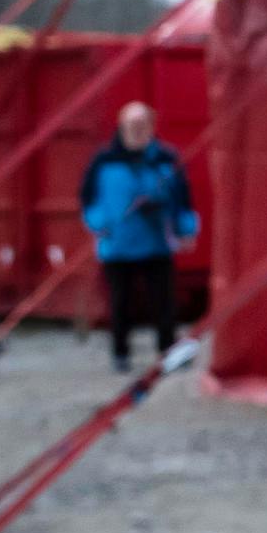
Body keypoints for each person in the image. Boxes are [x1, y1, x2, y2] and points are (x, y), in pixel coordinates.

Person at [78, 99, 198, 370]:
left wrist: (186, 229)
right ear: (121, 127)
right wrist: (99, 224)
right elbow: (88, 201)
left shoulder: (166, 158)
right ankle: (120, 353)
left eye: (142, 124)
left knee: (164, 302)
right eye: (132, 125)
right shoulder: (103, 160)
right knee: (121, 303)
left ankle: (168, 350)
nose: (137, 130)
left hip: (156, 242)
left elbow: (183, 199)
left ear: (152, 126)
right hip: (117, 245)